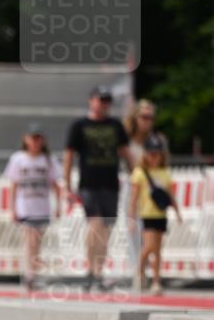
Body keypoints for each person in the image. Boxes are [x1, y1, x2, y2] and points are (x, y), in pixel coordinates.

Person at [63, 86, 133, 291]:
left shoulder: (115, 125)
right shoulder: (79, 125)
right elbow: (69, 156)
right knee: (95, 224)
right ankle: (91, 269)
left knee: (106, 228)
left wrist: (136, 174)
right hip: (88, 184)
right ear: (91, 101)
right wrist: (67, 186)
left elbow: (125, 153)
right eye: (100, 100)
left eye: (107, 101)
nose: (104, 104)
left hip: (110, 183)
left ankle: (98, 272)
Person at [5, 123, 61, 291]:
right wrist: (12, 209)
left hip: (42, 206)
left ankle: (33, 275)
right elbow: (13, 185)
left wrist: (58, 206)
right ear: (26, 139)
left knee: (37, 243)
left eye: (38, 138)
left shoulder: (48, 160)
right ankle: (29, 275)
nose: (36, 142)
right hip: (25, 206)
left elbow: (55, 185)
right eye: (33, 138)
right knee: (29, 241)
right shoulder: (18, 159)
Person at [128, 132, 181, 295]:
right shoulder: (139, 173)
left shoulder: (165, 173)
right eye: (151, 153)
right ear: (146, 154)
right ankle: (139, 271)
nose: (154, 157)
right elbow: (133, 198)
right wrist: (131, 218)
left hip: (160, 215)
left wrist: (177, 212)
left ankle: (156, 281)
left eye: (157, 153)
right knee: (149, 246)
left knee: (157, 250)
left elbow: (170, 195)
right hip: (147, 214)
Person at [122, 99, 159, 277]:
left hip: (149, 190)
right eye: (144, 116)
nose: (147, 121)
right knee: (132, 230)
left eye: (151, 117)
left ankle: (146, 269)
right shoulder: (126, 141)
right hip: (131, 188)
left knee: (150, 231)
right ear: (135, 117)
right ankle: (137, 272)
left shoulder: (155, 141)